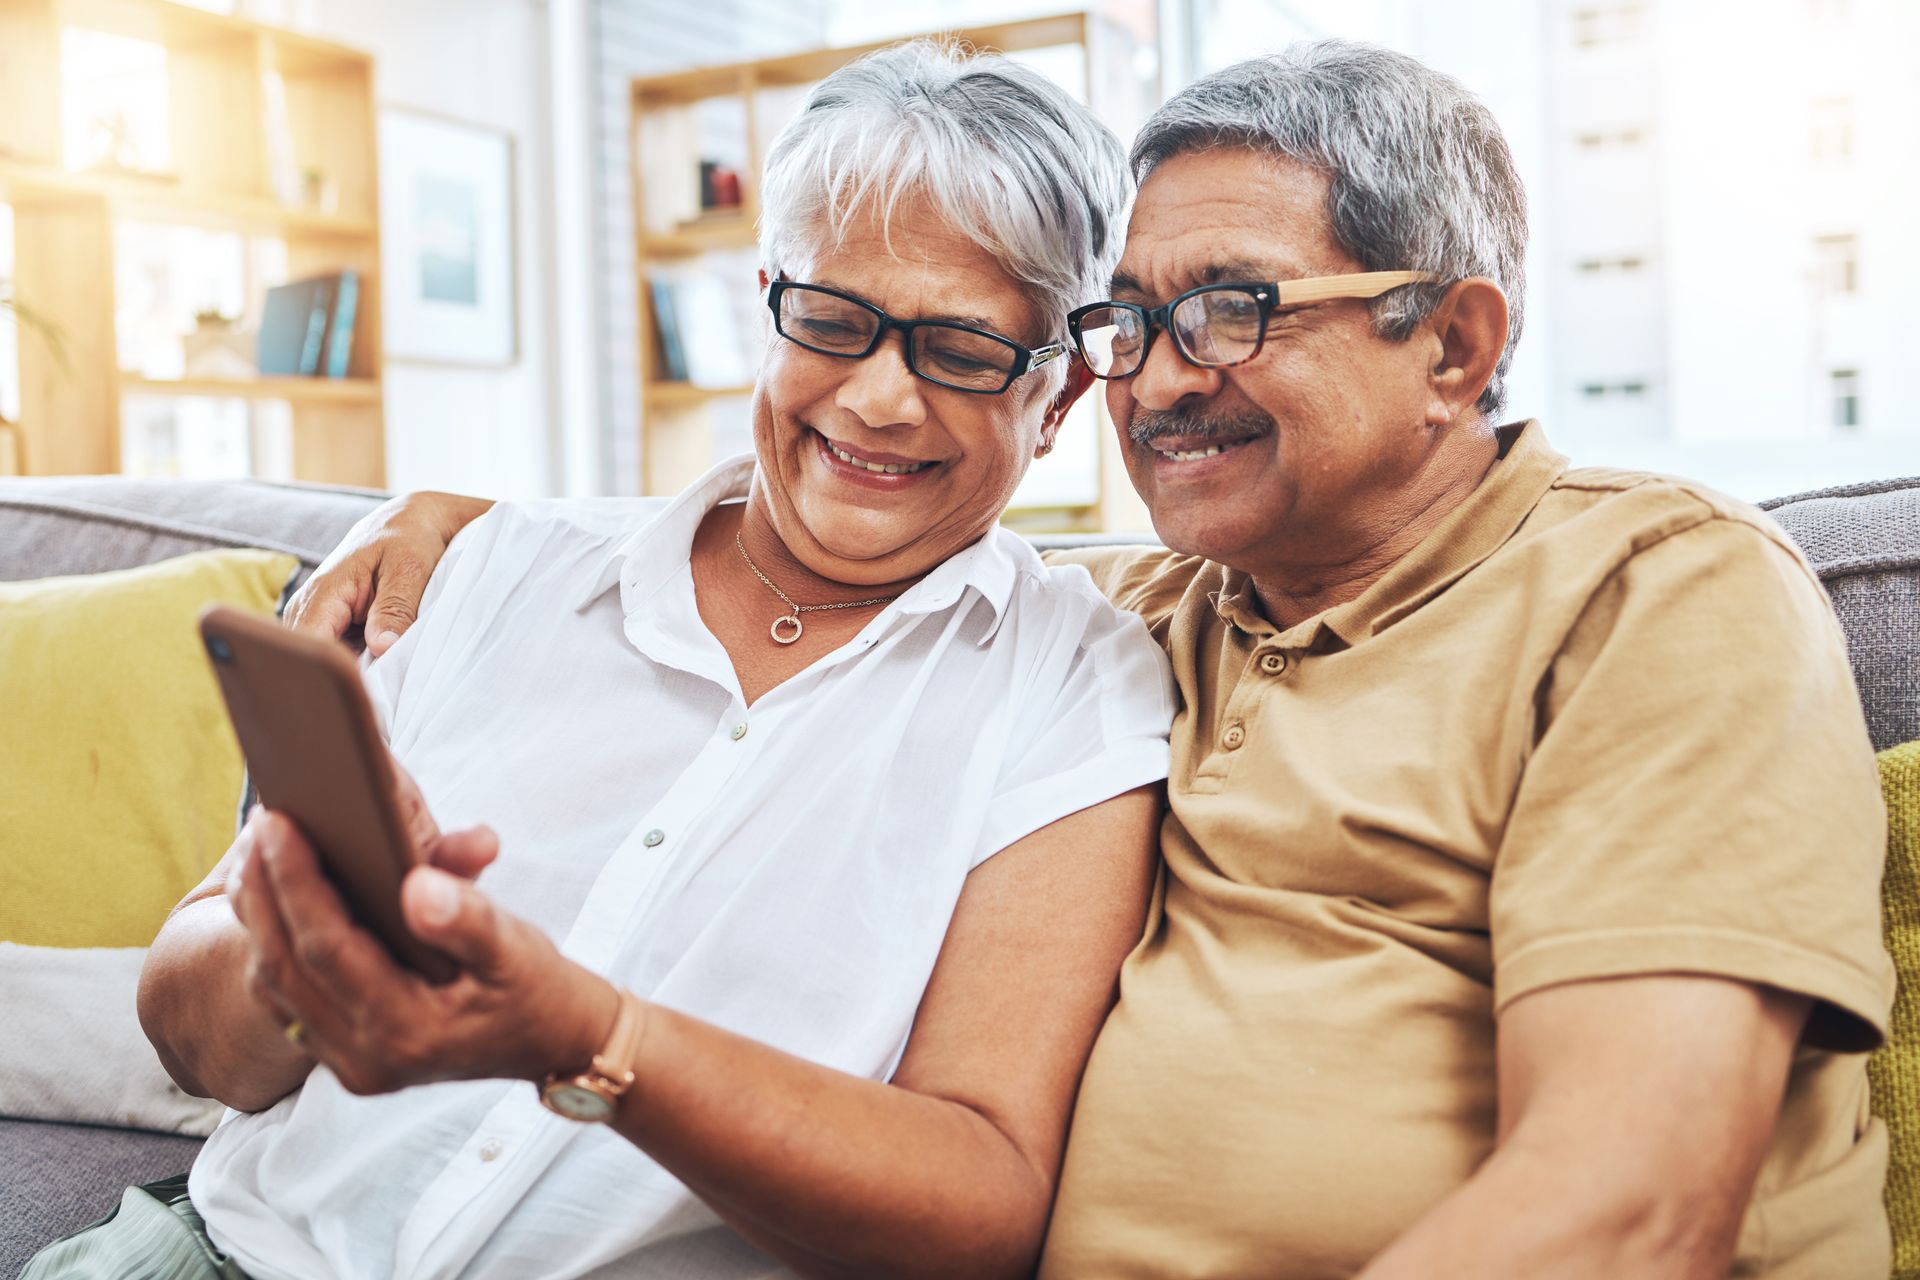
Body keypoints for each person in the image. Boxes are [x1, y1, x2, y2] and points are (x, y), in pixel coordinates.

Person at [283, 40, 1894, 1280]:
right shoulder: (1151, 617)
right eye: (1127, 324)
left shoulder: (1657, 592)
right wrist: (463, 532)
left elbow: (1630, 1206)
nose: (1154, 384)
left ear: (1454, 347)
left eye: (1231, 309)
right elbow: (846, 533)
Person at [29, 43, 1178, 1280]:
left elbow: (978, 1204)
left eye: (959, 351)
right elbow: (187, 1020)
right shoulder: (488, 567)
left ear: (1056, 400)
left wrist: (593, 1037)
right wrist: (302, 967)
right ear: (768, 305)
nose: (879, 398)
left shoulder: (1072, 686)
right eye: (834, 321)